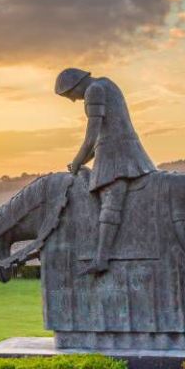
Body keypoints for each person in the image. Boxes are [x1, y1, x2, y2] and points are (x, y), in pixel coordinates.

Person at [54, 67, 157, 274]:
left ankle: (101, 259)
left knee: (111, 202)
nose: (73, 100)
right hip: (114, 150)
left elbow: (92, 136)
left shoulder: (94, 90)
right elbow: (102, 137)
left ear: (75, 85)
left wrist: (76, 162)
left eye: (69, 95)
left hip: (118, 155)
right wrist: (84, 159)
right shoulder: (106, 84)